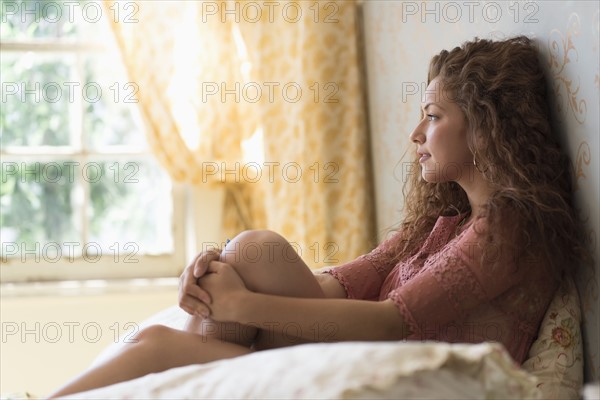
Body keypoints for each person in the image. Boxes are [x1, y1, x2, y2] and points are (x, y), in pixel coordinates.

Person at [48, 35, 583, 398]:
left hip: (397, 378)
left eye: (433, 117)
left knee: (156, 346)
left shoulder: (508, 230)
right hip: (373, 355)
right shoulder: (443, 223)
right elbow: (341, 288)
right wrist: (215, 275)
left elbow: (389, 321)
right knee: (254, 250)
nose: (416, 136)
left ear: (485, 128)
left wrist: (243, 304)